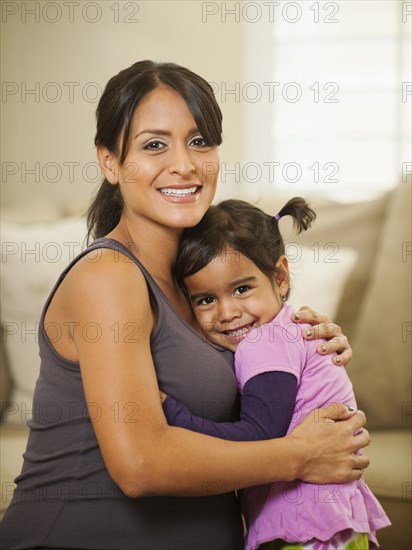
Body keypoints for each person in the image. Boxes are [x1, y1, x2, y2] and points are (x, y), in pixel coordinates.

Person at [0, 61, 370, 550]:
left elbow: (246, 398)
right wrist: (300, 456)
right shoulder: (109, 276)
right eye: (154, 145)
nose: (186, 164)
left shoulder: (201, 288)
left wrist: (300, 341)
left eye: (199, 141)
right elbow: (139, 466)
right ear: (110, 162)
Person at [162, 197, 391, 549]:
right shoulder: (286, 329)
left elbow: (257, 437)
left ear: (280, 277)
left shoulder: (265, 342)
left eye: (241, 289)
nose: (227, 312)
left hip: (308, 529)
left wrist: (171, 414)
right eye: (205, 299)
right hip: (328, 522)